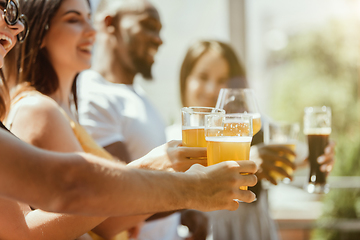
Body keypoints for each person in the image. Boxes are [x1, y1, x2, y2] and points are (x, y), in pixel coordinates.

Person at [0, 1, 258, 239]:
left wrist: (163, 176)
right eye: (73, 19)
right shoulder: (39, 109)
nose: (92, 30)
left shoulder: (67, 110)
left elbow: (93, 208)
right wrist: (187, 186)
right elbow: (82, 194)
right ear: (40, 31)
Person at [170, 39, 335, 240]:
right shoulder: (171, 141)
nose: (212, 89)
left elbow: (297, 155)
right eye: (203, 77)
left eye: (223, 80)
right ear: (185, 79)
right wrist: (249, 161)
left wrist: (320, 156)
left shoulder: (251, 124)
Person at [77, 0, 207, 239]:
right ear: (110, 23)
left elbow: (155, 186)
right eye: (148, 26)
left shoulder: (139, 97)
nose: (159, 39)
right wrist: (199, 191)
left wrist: (184, 214)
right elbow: (123, 193)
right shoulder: (93, 95)